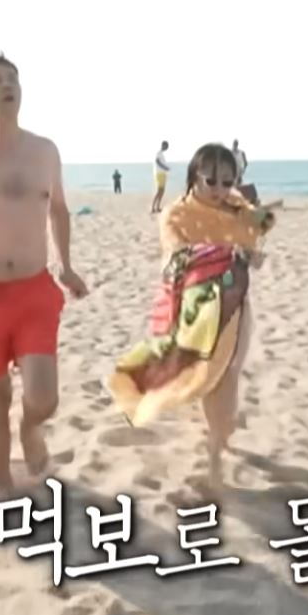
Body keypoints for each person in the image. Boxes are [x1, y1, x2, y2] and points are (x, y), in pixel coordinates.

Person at [0, 54, 89, 501]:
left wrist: (66, 264)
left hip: (33, 290)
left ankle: (31, 429)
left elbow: (58, 209)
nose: (7, 86)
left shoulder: (44, 151)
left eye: (13, 79)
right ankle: (4, 486)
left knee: (44, 398)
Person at [107, 142, 277, 496]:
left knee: (228, 374)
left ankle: (219, 438)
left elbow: (256, 233)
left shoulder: (236, 206)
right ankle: (215, 456)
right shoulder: (176, 215)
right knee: (207, 378)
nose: (219, 189)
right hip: (195, 309)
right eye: (210, 180)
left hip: (235, 306)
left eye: (227, 181)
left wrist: (255, 235)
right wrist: (227, 252)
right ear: (193, 177)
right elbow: (178, 253)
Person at [150, 140, 171, 214]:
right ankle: (153, 208)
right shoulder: (158, 153)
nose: (167, 148)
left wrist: (166, 168)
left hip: (163, 174)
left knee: (162, 191)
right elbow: (157, 161)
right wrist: (165, 167)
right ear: (163, 145)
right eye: (166, 146)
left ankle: (158, 207)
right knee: (159, 191)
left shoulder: (162, 154)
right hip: (159, 174)